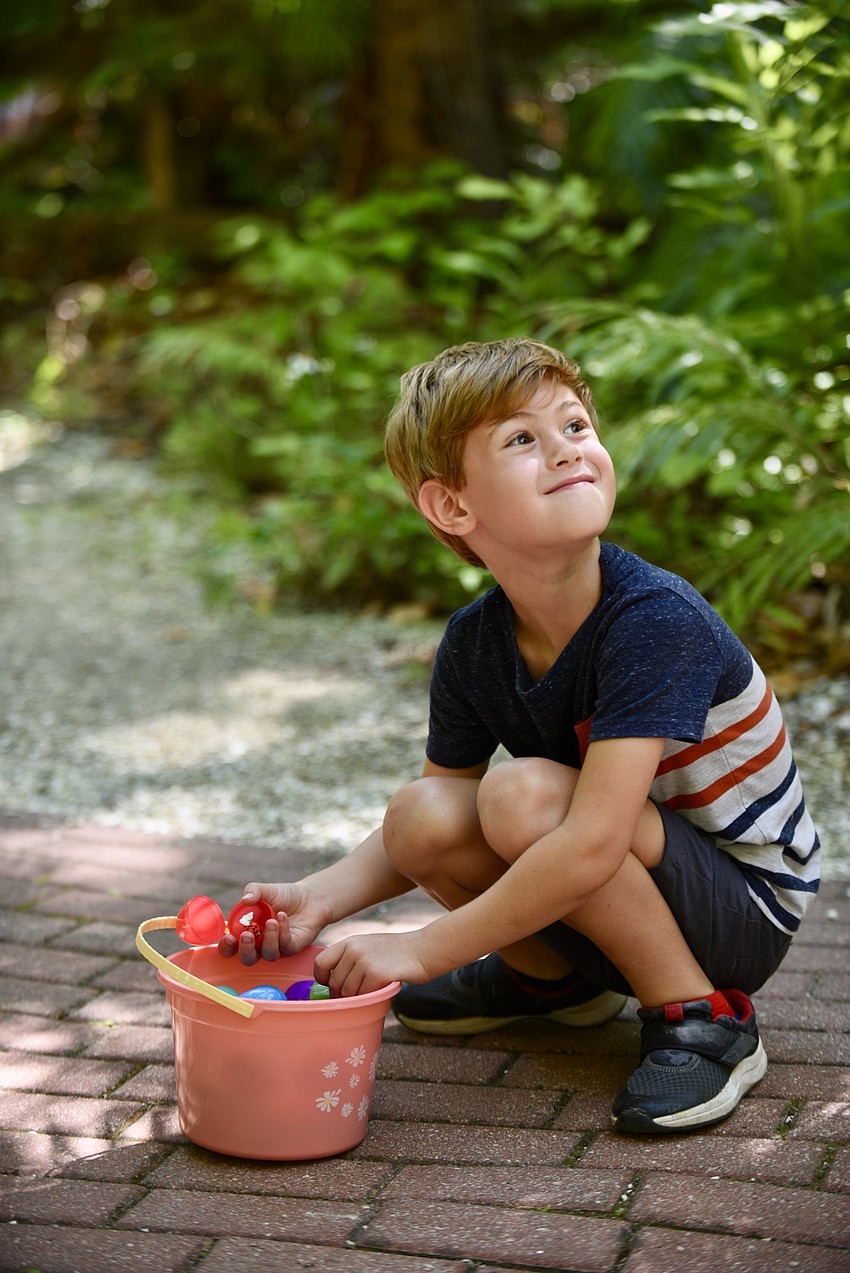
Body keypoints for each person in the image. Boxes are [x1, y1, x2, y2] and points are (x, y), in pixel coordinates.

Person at [221, 337, 820, 1134]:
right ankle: (554, 986)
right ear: (454, 507)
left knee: (524, 795)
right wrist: (318, 898)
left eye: (575, 424)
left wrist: (427, 947)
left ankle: (702, 1015)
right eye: (522, 439)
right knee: (424, 810)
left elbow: (591, 842)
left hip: (744, 906)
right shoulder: (475, 642)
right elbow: (439, 819)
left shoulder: (653, 620)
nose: (569, 448)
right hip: (622, 877)